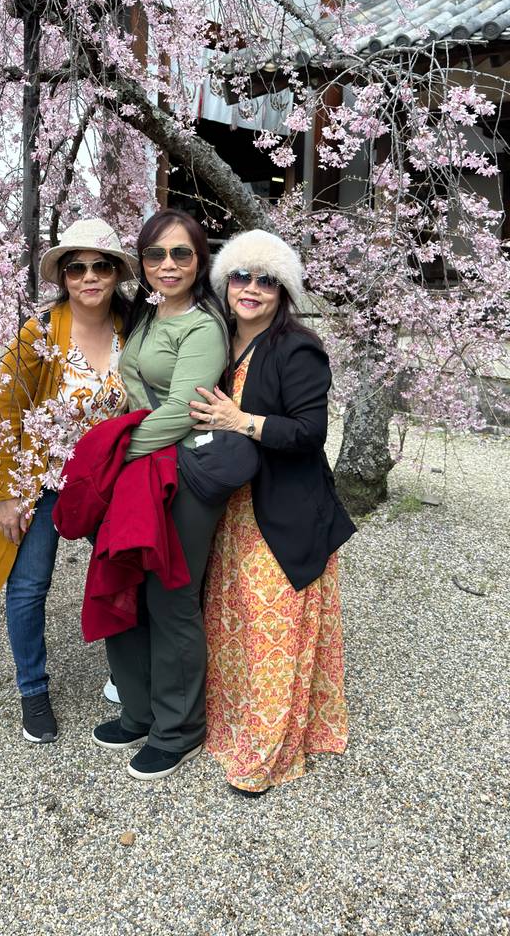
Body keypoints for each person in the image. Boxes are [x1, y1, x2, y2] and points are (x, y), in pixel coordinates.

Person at [189, 229, 357, 795]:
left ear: (283, 289)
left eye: (267, 279)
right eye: (241, 276)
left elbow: (311, 433)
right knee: (232, 622)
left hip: (282, 510)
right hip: (232, 509)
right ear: (225, 282)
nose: (252, 288)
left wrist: (243, 422)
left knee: (272, 631)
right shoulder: (218, 341)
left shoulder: (296, 347)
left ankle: (266, 753)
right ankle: (234, 727)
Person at [0, 218, 135, 743]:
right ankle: (32, 689)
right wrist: (7, 493)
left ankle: (128, 674)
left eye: (101, 265)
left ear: (116, 273)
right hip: (43, 477)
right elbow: (6, 409)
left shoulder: (134, 327)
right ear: (63, 276)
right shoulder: (40, 333)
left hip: (109, 478)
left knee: (128, 569)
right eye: (76, 267)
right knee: (28, 585)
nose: (89, 277)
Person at [92, 208, 229, 782]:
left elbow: (181, 410)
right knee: (124, 576)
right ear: (142, 263)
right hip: (138, 470)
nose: (167, 265)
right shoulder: (147, 318)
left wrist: (112, 455)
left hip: (180, 472)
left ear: (199, 261)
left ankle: (179, 728)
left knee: (171, 596)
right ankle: (139, 707)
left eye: (180, 254)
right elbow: (133, 392)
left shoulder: (202, 326)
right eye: (155, 255)